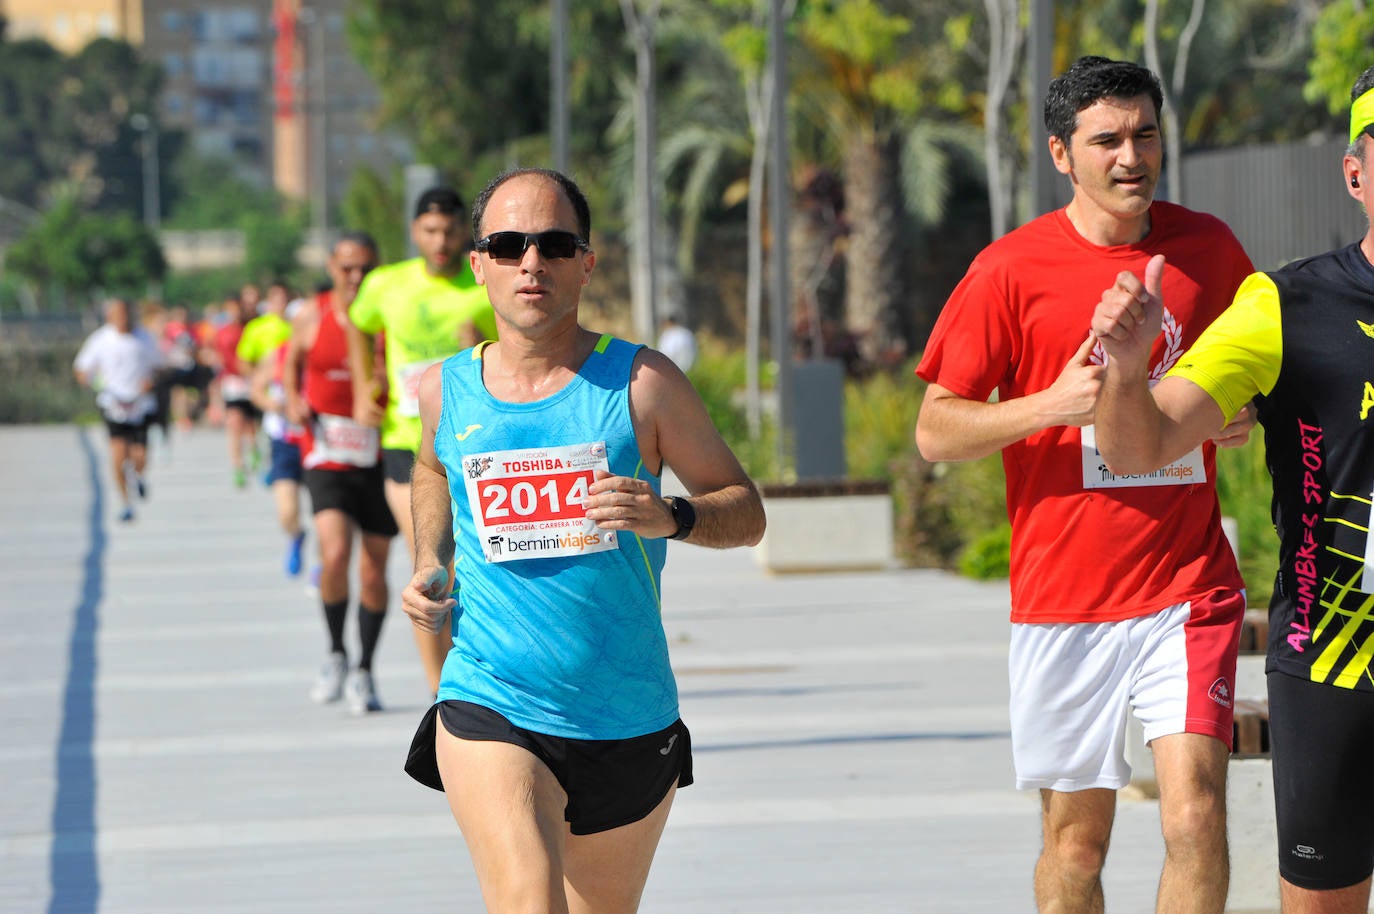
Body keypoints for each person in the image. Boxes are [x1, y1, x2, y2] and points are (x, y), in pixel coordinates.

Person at [914, 56, 1257, 914]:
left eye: (1145, 134)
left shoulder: (1208, 250)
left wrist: (1238, 410)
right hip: (1063, 599)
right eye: (1107, 140)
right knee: (1075, 844)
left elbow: (1258, 373)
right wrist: (1049, 407)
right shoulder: (1009, 269)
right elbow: (935, 428)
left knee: (1196, 813)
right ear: (1063, 155)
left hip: (1187, 587)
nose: (1131, 156)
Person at [400, 168, 765, 913]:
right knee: (529, 900)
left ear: (586, 263)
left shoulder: (641, 384)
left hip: (627, 715)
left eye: (555, 243)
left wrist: (676, 518)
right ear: (479, 265)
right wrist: (428, 559)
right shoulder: (445, 389)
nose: (531, 262)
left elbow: (745, 509)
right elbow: (431, 467)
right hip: (490, 698)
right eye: (507, 245)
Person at [1089, 65, 1374, 914]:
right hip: (1335, 659)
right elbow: (1139, 446)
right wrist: (1128, 373)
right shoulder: (1283, 304)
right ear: (1355, 173)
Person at [347, 186, 499, 698]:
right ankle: (442, 693)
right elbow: (358, 325)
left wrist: (478, 346)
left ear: (465, 234)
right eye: (430, 231)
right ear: (415, 232)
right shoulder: (386, 285)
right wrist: (363, 382)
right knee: (430, 565)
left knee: (472, 567)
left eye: (450, 231)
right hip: (403, 441)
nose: (440, 240)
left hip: (470, 441)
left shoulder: (483, 285)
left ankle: (479, 672)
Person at [283, 232, 397, 715]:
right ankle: (335, 651)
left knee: (373, 571)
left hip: (379, 454)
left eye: (365, 268)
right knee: (334, 554)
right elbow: (290, 363)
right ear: (332, 266)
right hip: (327, 452)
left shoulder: (387, 315)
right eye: (347, 268)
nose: (356, 278)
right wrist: (290, 397)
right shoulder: (314, 313)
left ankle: (365, 669)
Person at [73, 297, 164, 523]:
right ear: (110, 316)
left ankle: (138, 475)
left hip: (140, 403)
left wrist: (149, 381)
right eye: (118, 313)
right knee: (118, 455)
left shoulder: (143, 338)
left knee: (140, 456)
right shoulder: (101, 340)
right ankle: (126, 503)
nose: (123, 318)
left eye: (126, 313)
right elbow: (82, 369)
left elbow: (159, 366)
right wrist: (92, 381)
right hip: (113, 403)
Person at [241, 279, 307, 575]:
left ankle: (325, 566)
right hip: (284, 439)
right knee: (287, 511)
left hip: (317, 439)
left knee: (329, 518)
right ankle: (295, 536)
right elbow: (256, 390)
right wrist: (275, 405)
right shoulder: (276, 355)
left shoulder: (320, 353)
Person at [211, 295, 260, 487]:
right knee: (234, 423)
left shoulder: (251, 328)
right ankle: (238, 466)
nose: (235, 313)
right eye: (231, 309)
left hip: (251, 380)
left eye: (238, 309)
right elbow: (217, 356)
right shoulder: (222, 332)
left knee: (250, 423)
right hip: (232, 382)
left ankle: (254, 449)